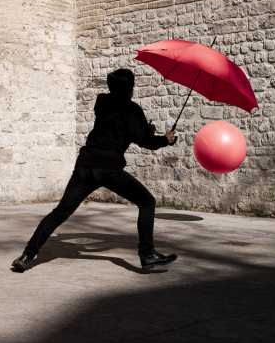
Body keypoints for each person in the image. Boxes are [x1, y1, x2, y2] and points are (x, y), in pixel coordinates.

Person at [12, 68, 178, 271]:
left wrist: (143, 130)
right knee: (147, 202)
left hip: (84, 165)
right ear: (131, 88)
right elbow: (145, 141)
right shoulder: (131, 108)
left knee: (59, 213)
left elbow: (119, 128)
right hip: (108, 168)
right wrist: (165, 139)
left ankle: (27, 255)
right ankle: (148, 254)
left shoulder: (102, 102)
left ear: (110, 86)